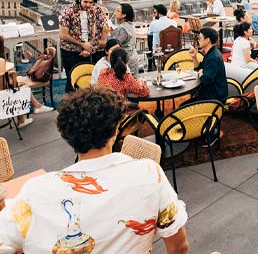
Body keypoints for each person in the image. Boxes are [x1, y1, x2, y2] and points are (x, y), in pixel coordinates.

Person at [0, 86, 189, 252]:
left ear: (67, 136)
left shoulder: (34, 193)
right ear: (116, 129)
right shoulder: (149, 174)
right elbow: (179, 246)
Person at [59, 0, 108, 92]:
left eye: (91, 2)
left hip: (91, 48)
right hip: (71, 50)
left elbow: (104, 27)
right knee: (72, 79)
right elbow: (63, 35)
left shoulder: (97, 9)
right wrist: (82, 45)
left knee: (91, 78)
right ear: (79, 0)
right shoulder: (68, 11)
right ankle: (70, 103)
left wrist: (94, 45)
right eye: (85, 2)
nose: (88, 5)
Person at [0, 36, 53, 130]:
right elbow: (4, 81)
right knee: (20, 85)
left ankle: (26, 116)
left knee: (20, 83)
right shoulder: (1, 61)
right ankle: (35, 108)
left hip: (4, 86)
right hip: (3, 90)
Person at [189, 27, 227, 101]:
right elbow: (199, 68)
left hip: (213, 99)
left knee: (182, 108)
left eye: (199, 38)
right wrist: (194, 57)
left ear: (207, 40)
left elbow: (205, 80)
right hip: (210, 94)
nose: (198, 40)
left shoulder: (213, 57)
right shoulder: (211, 53)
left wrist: (201, 74)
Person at [109, 3, 140, 73]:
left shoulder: (122, 29)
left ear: (124, 15)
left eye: (118, 10)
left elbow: (112, 44)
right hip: (133, 57)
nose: (115, 12)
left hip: (125, 60)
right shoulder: (130, 25)